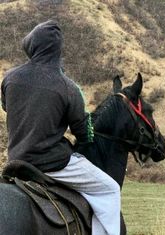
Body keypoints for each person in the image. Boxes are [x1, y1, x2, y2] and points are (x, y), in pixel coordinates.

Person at [1, 20, 120, 235]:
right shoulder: (68, 87)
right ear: (57, 50)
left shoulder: (9, 78)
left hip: (17, 159)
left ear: (31, 46)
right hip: (54, 164)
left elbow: (8, 107)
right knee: (110, 190)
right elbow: (85, 133)